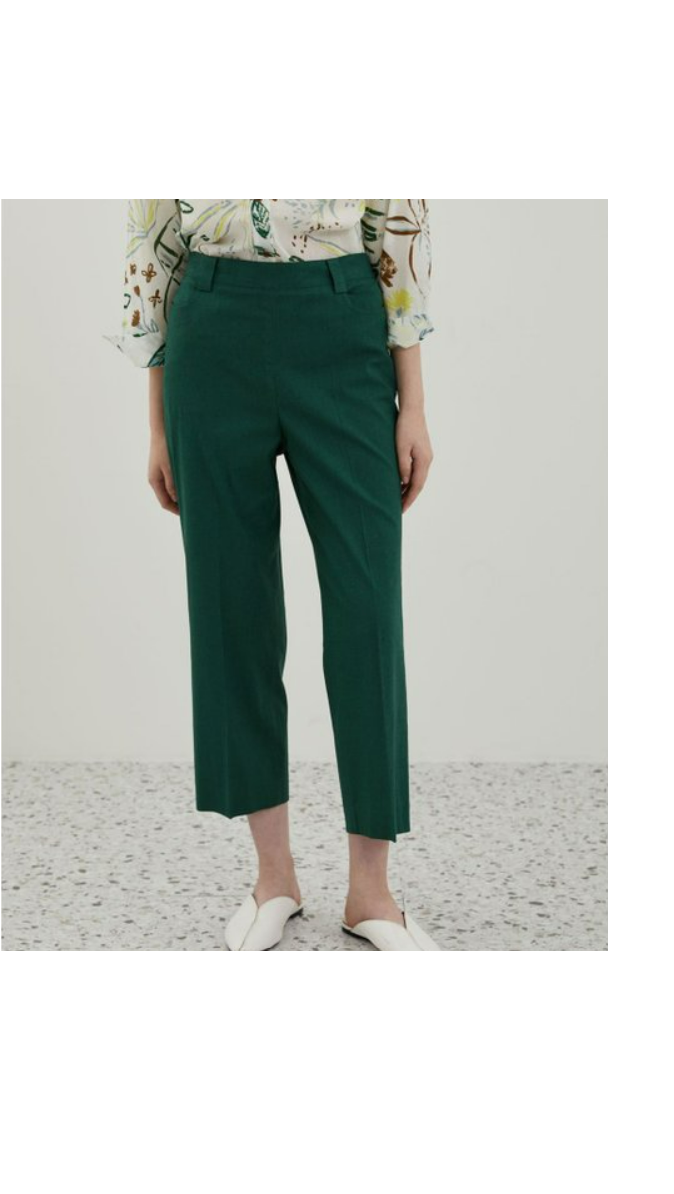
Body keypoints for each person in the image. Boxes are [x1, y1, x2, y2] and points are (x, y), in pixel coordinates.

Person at [104, 199, 440, 951]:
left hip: (342, 320)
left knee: (367, 608)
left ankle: (372, 890)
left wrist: (413, 403)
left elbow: (401, 227)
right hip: (212, 330)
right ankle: (272, 877)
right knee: (233, 610)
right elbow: (152, 243)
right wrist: (157, 423)